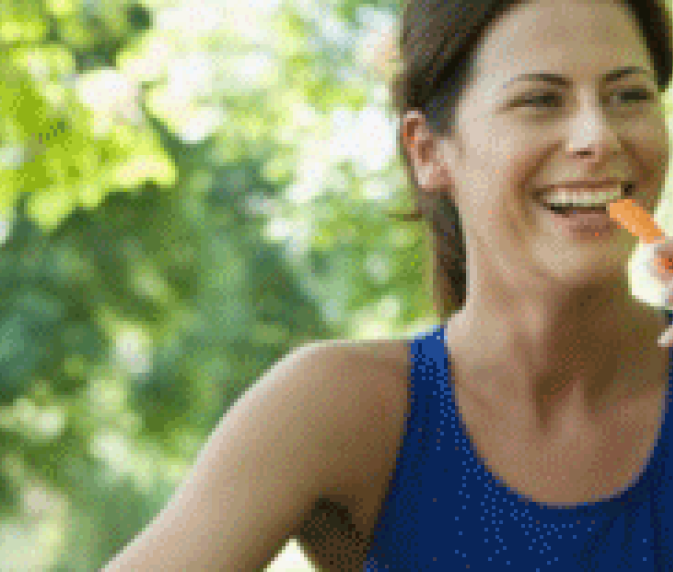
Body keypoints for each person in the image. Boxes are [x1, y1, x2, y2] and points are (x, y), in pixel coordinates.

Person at [102, 0, 673, 569]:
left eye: (630, 96)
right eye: (539, 100)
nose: (598, 137)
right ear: (428, 151)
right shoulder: (341, 409)